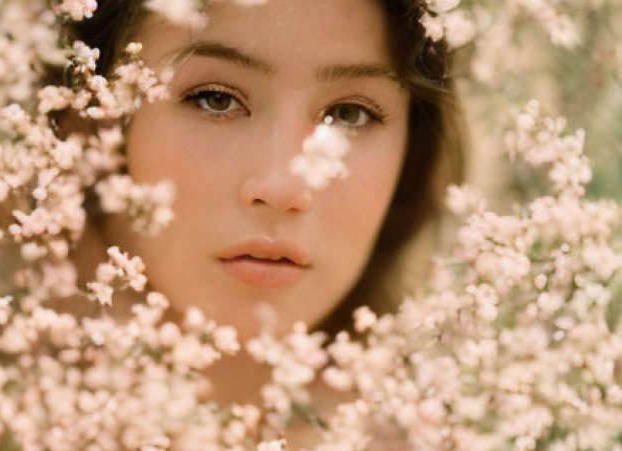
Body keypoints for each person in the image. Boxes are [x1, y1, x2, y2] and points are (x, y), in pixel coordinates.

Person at [71, 0, 465, 354]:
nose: (283, 188)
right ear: (90, 116)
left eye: (349, 113)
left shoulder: (461, 427)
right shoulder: (11, 402)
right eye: (216, 99)